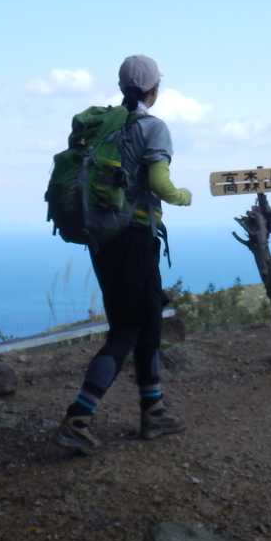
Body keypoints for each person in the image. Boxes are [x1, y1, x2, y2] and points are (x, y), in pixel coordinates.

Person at [55, 55, 193, 456]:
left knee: (146, 322)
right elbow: (159, 182)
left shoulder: (105, 127)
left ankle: (154, 411)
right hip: (135, 238)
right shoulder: (153, 127)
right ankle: (77, 418)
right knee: (127, 330)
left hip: (103, 240)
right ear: (154, 88)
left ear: (122, 87)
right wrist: (183, 196)